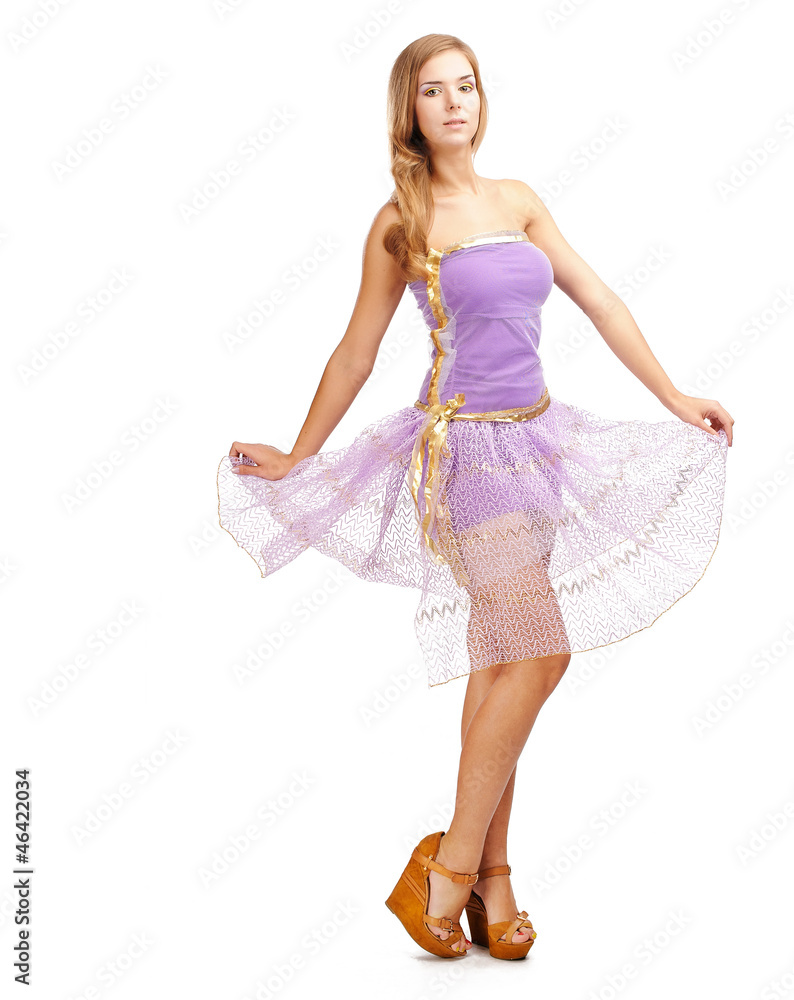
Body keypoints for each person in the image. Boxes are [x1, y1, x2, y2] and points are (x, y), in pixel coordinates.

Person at [216, 34, 734, 961]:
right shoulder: (401, 221)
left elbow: (600, 301)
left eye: (467, 86)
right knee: (541, 651)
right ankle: (448, 870)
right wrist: (299, 454)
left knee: (503, 662)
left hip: (539, 441)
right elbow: (356, 351)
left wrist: (673, 394)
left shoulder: (519, 200)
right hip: (463, 457)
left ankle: (495, 883)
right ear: (409, 112)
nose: (455, 102)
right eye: (434, 90)